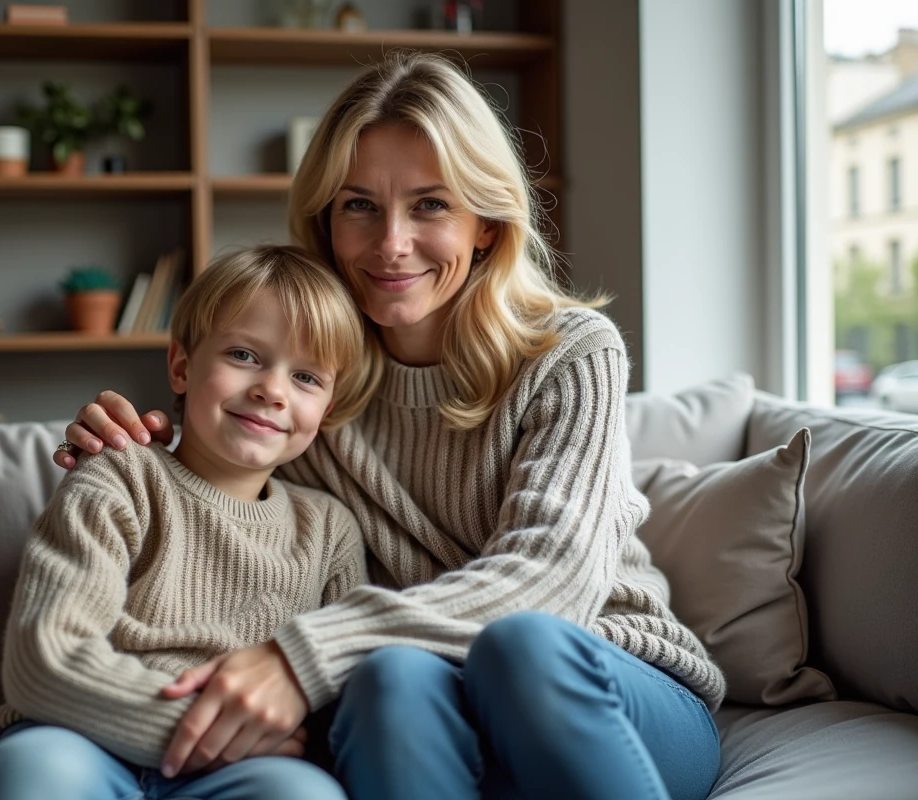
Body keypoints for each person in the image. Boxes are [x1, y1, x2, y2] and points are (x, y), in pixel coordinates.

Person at [52, 52, 726, 800]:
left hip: (611, 693)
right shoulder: (310, 384)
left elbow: (552, 582)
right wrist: (134, 449)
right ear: (326, 222)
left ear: (485, 225)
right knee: (391, 675)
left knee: (519, 645)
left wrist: (303, 656)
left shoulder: (569, 352)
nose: (391, 243)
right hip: (429, 710)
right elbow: (226, 506)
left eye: (431, 205)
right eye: (359, 205)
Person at [0, 245, 383, 800]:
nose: (272, 391)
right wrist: (196, 731)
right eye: (244, 355)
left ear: (327, 409)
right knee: (37, 775)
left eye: (305, 376)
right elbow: (45, 659)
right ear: (182, 367)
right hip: (83, 737)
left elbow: (339, 685)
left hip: (241, 770)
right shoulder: (119, 477)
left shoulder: (330, 530)